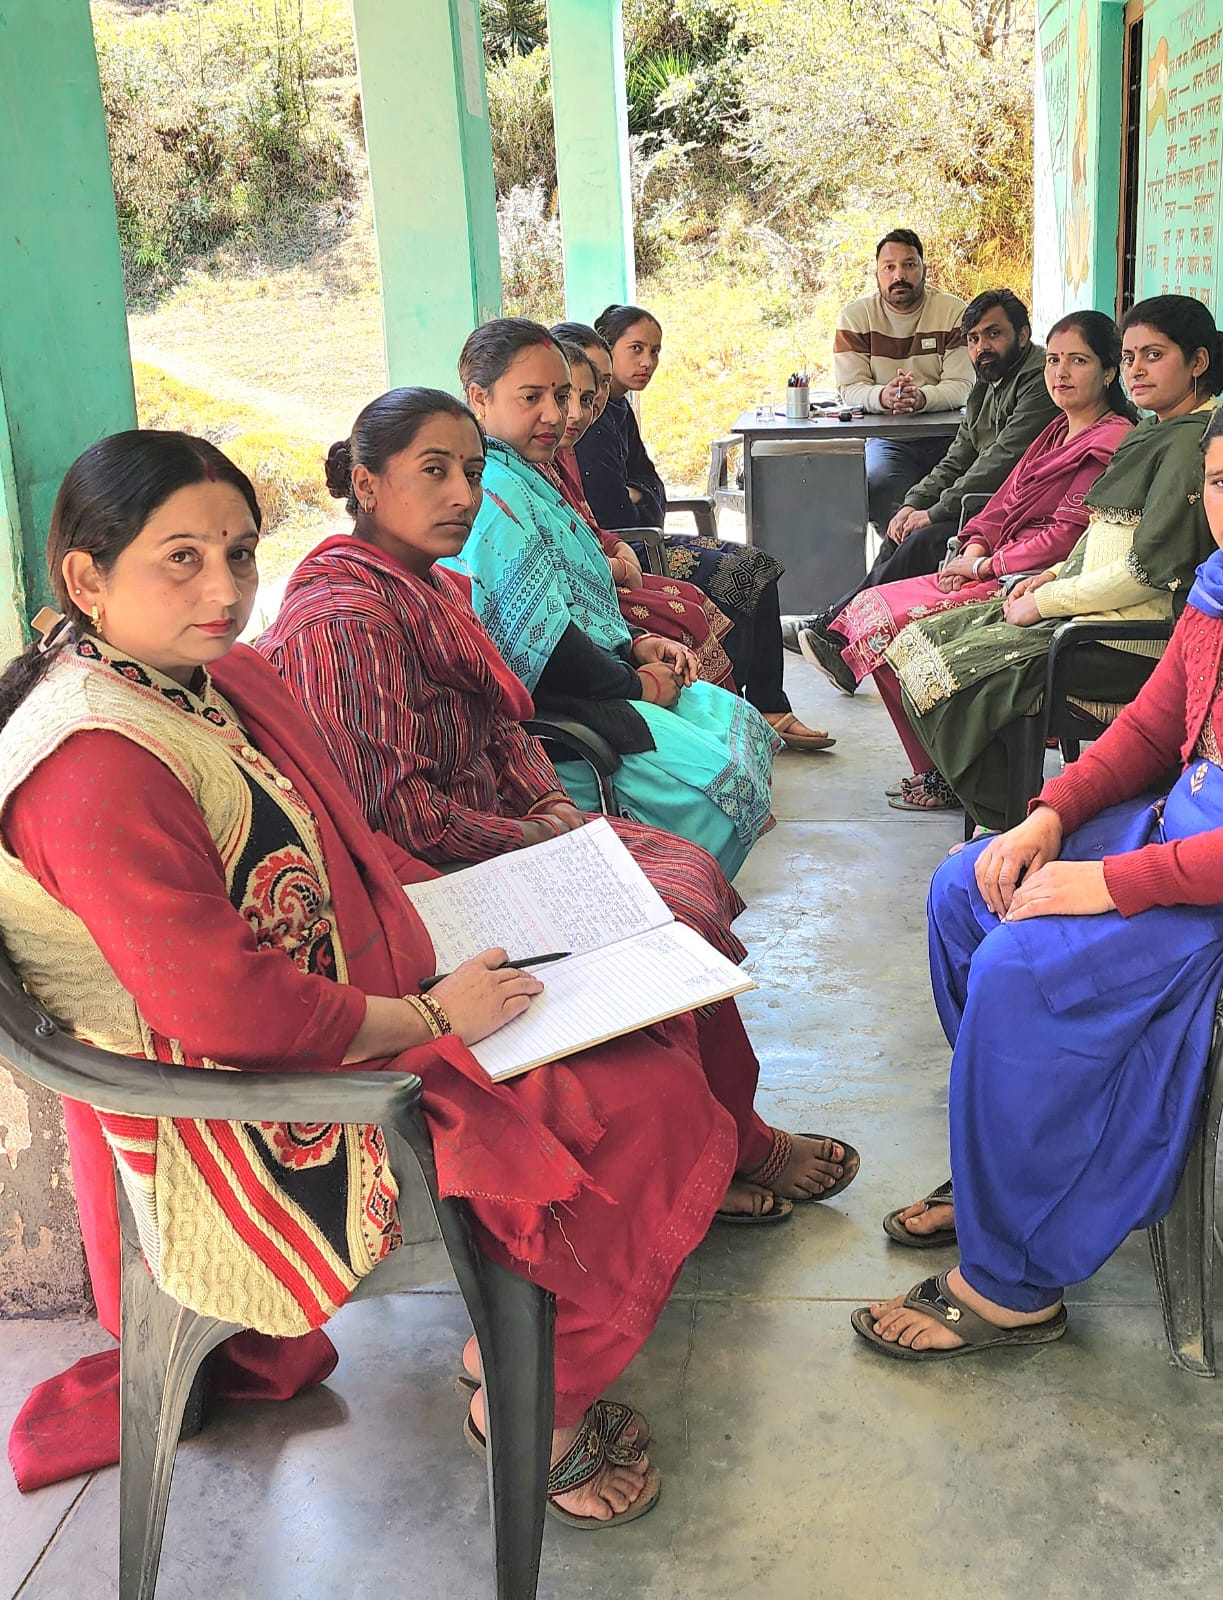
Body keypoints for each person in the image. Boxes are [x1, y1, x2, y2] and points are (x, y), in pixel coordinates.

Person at [0, 430, 744, 1526]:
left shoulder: (194, 679)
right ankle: (535, 1398)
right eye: (182, 559)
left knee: (658, 984)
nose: (226, 591)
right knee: (644, 1100)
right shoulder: (92, 762)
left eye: (239, 553)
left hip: (340, 991)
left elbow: (334, 842)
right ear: (86, 578)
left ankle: (543, 1337)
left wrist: (461, 916)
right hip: (258, 1105)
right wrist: (435, 1011)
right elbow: (225, 1009)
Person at [855, 375, 1223, 1365]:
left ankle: (1012, 1282)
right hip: (1174, 830)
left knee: (1017, 967)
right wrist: (1048, 815)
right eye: (1220, 481)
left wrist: (1107, 883)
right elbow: (1148, 726)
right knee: (967, 886)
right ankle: (1009, 1162)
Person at [260, 384, 859, 1228]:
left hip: (488, 843)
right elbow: (394, 817)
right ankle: (720, 1145)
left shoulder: (426, 587)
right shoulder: (346, 623)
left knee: (679, 876)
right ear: (366, 483)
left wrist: (549, 801)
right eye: (433, 472)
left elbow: (500, 723)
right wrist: (534, 833)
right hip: (425, 883)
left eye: (472, 473)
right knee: (663, 902)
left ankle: (724, 1133)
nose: (463, 495)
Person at [882, 294, 1223, 820]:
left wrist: (1046, 602)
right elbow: (1101, 531)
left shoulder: (1190, 446)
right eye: (1131, 356)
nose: (1136, 370)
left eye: (1154, 355)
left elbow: (1146, 572)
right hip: (1088, 611)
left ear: (1198, 362)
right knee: (919, 641)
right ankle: (1004, 811)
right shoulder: (1155, 430)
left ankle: (1009, 817)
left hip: (1125, 640)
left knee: (965, 669)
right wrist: (1049, 576)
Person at [456, 318, 778, 879]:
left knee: (740, 723)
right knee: (714, 795)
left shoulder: (531, 472)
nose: (556, 415)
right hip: (548, 711)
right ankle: (655, 899)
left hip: (593, 674)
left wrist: (635, 644)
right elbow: (541, 644)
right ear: (479, 398)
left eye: (562, 396)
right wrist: (637, 683)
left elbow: (570, 596)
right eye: (531, 398)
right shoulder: (496, 493)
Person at [828, 310, 1135, 809]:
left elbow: (1065, 538)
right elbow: (1004, 500)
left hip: (1029, 578)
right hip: (995, 561)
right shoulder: (1056, 431)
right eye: (1054, 360)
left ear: (1108, 372)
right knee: (870, 610)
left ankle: (958, 777)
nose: (1060, 372)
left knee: (898, 632)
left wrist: (984, 567)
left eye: (1078, 361)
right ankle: (936, 769)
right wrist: (973, 545)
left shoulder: (1111, 440)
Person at [569, 308, 831, 749]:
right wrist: (642, 498)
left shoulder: (616, 408)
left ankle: (769, 706)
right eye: (635, 349)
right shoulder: (588, 425)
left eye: (655, 351)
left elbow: (651, 487)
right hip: (634, 549)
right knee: (735, 579)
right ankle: (736, 713)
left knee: (760, 566)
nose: (647, 362)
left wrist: (642, 496)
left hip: (644, 538)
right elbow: (617, 511)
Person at [793, 288, 1059, 691]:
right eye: (973, 339)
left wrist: (934, 512)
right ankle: (837, 629)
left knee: (921, 542)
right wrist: (915, 503)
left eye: (994, 334)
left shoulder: (1037, 381)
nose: (982, 347)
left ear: (1022, 335)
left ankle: (839, 636)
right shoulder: (988, 381)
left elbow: (1000, 462)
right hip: (987, 505)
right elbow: (960, 454)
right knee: (901, 530)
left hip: (1014, 510)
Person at [547, 333, 736, 691]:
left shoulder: (597, 427)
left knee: (750, 572)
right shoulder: (541, 453)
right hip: (614, 568)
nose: (580, 410)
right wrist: (620, 561)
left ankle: (756, 707)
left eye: (595, 389)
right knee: (695, 608)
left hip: (624, 552)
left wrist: (618, 544)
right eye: (561, 396)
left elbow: (646, 490)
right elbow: (608, 513)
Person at [829, 228, 975, 537]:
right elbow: (849, 388)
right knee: (881, 487)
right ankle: (900, 556)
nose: (899, 275)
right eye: (889, 267)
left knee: (965, 494)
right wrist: (883, 396)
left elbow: (963, 385)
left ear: (924, 269)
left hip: (949, 437)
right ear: (877, 273)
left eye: (909, 265)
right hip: (888, 439)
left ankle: (948, 555)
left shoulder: (953, 312)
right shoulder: (855, 318)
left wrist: (921, 398)